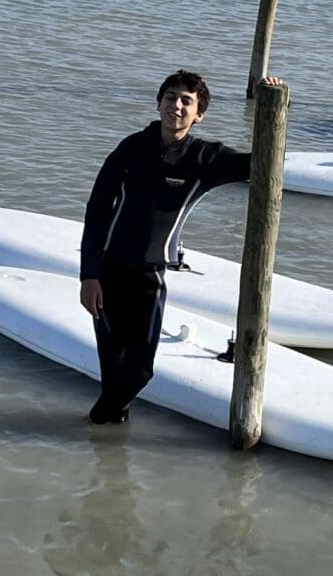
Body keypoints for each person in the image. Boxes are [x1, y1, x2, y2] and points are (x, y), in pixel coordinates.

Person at [77, 69, 277, 425]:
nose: (177, 106)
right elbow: (96, 210)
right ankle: (107, 447)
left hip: (149, 277)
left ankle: (94, 424)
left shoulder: (204, 158)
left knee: (140, 371)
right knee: (113, 369)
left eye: (187, 101)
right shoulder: (131, 149)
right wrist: (88, 275)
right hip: (108, 272)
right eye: (170, 97)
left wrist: (271, 105)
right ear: (158, 104)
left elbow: (264, 160)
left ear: (199, 114)